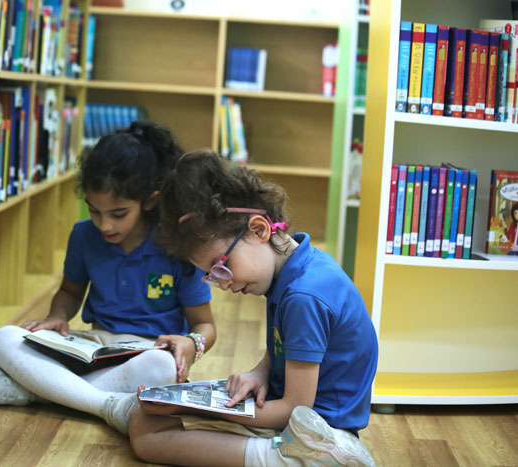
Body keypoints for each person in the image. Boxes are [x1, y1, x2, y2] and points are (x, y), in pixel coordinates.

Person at [127, 149, 378, 466]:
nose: (225, 283)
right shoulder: (296, 267)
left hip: (319, 431)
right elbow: (288, 348)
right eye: (212, 275)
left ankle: (286, 460)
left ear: (259, 230)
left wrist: (189, 407)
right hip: (296, 413)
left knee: (147, 436)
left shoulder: (304, 295)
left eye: (222, 266)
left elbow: (295, 409)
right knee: (143, 423)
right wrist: (260, 371)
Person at [0, 122, 216, 436]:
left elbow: (205, 327)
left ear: (150, 200)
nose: (104, 224)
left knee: (163, 369)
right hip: (92, 347)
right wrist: (57, 316)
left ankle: (38, 391)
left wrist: (192, 345)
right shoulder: (83, 236)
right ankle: (108, 405)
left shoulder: (176, 246)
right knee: (4, 338)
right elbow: (70, 292)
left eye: (118, 213)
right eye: (94, 210)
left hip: (147, 352)